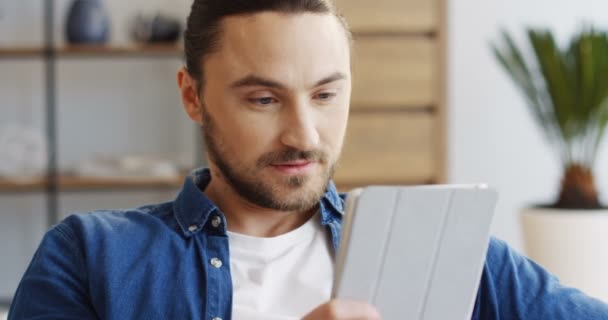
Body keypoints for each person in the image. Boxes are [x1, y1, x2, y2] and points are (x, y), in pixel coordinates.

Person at [8, 0, 608, 319]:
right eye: (264, 99)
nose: (304, 133)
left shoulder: (443, 252)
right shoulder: (90, 257)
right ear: (193, 95)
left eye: (325, 95)